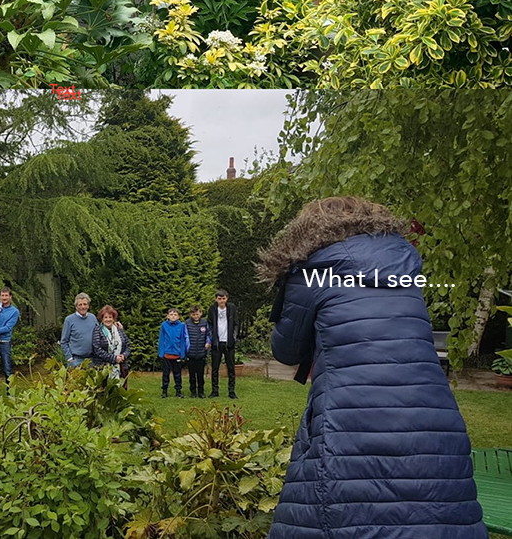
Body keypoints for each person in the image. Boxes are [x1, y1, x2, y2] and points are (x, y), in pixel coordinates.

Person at [257, 196, 487, 539]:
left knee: (345, 510)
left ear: (309, 230)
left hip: (352, 421)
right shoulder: (404, 270)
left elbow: (286, 351)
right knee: (436, 511)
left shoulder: (313, 271)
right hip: (433, 419)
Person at [208, 289, 238, 399]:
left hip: (228, 342)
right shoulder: (212, 309)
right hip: (216, 343)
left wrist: (233, 337)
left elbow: (236, 323)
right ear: (216, 299)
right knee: (215, 368)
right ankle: (214, 391)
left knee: (231, 368)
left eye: (223, 298)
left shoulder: (231, 308)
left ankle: (231, 391)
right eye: (219, 299)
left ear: (227, 298)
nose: (221, 301)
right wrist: (212, 337)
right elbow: (210, 324)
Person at [91, 304, 130, 381]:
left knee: (120, 387)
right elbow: (97, 349)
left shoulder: (119, 329)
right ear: (102, 319)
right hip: (103, 368)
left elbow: (127, 345)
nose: (108, 319)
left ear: (113, 318)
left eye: (110, 317)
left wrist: (124, 355)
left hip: (121, 367)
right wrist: (114, 358)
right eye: (105, 317)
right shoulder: (97, 330)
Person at [157, 307, 189, 398]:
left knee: (177, 374)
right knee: (165, 374)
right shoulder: (164, 325)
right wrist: (161, 353)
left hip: (177, 354)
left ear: (178, 317)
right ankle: (164, 390)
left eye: (175, 315)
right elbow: (161, 339)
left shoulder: (181, 326)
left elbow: (183, 340)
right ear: (167, 316)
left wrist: (182, 353)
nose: (173, 316)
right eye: (171, 314)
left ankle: (178, 391)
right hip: (166, 354)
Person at [60, 292, 99, 367]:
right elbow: (64, 341)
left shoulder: (93, 318)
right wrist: (69, 358)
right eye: (80, 304)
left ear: (88, 305)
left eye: (85, 304)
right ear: (76, 306)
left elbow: (100, 333)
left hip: (92, 359)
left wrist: (115, 326)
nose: (83, 307)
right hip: (76, 360)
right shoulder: (69, 320)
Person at [185, 305, 211, 398]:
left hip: (201, 352)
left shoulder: (205, 323)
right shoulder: (187, 323)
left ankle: (201, 391)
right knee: (192, 375)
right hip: (191, 353)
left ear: (201, 313)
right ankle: (193, 392)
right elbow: (185, 336)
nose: (196, 316)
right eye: (193, 314)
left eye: (197, 314)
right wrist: (187, 349)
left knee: (200, 375)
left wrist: (208, 342)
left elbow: (208, 334)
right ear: (190, 314)